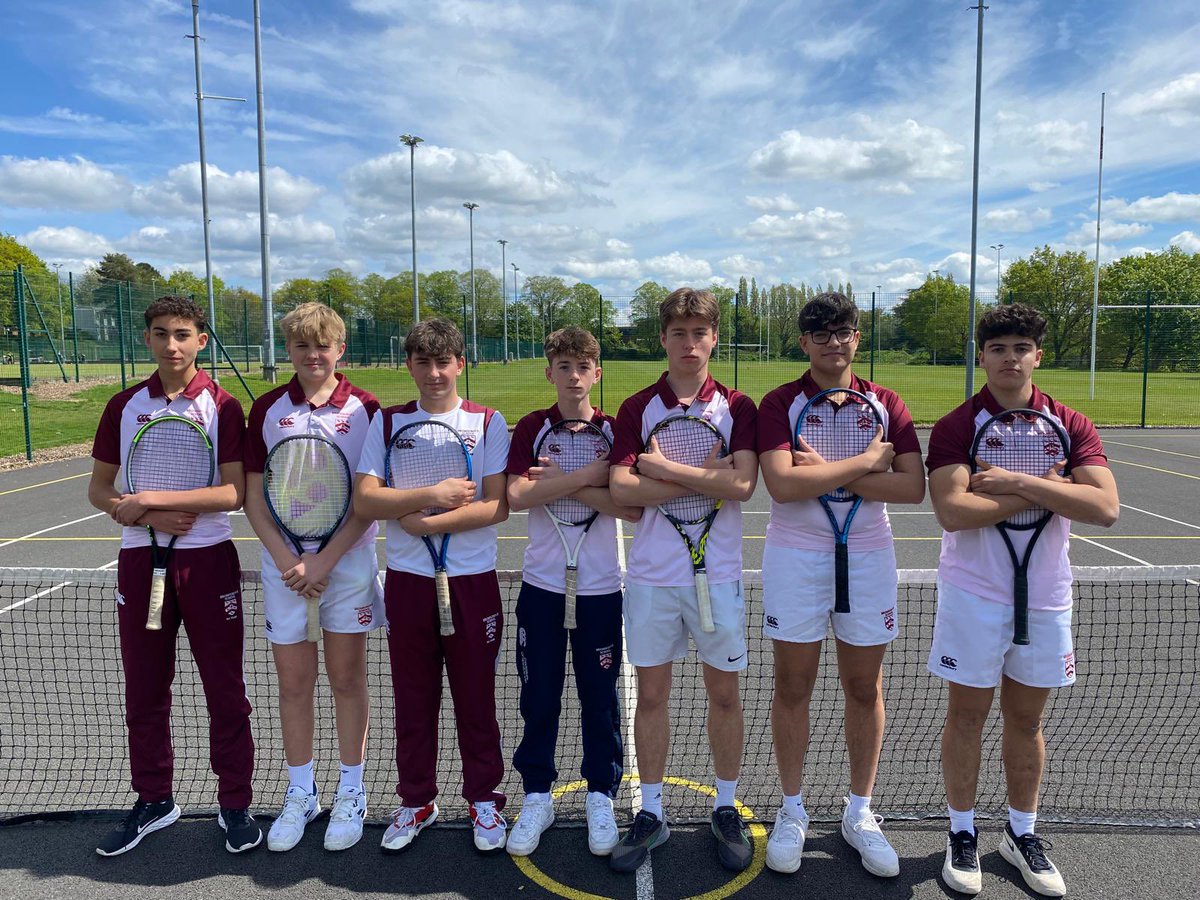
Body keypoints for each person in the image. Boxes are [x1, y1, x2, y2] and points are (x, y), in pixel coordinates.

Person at [926, 303, 1119, 897]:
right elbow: (955, 512)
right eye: (999, 348)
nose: (1010, 358)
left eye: (1021, 348)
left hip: (1046, 597)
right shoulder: (959, 425)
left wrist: (1013, 482)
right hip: (972, 594)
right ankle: (962, 832)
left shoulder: (1070, 423)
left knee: (1027, 718)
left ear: (1038, 355)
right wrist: (1058, 490)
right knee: (967, 714)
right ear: (982, 356)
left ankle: (1020, 831)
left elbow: (1106, 509)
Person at [756, 291, 924, 877]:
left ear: (858, 339)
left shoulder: (886, 403)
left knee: (863, 687)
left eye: (843, 332)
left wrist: (824, 472)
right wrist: (868, 462)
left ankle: (859, 811)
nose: (833, 342)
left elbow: (912, 489)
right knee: (792, 686)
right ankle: (792, 808)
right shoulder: (779, 403)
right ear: (803, 342)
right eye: (820, 334)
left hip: (870, 555)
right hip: (795, 559)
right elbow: (781, 485)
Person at [87, 295, 259, 855]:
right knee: (144, 690)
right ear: (148, 339)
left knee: (225, 693)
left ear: (201, 340)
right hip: (140, 561)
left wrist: (153, 498)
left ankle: (235, 803)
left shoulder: (223, 406)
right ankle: (154, 800)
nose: (172, 344)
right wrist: (145, 513)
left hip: (208, 562)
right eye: (161, 333)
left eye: (182, 334)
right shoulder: (123, 406)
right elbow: (98, 490)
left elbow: (232, 493)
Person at [608, 287, 758, 873]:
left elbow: (743, 485)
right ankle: (652, 812)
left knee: (724, 695)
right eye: (678, 332)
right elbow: (622, 489)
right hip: (650, 577)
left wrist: (662, 468)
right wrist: (706, 477)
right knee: (651, 696)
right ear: (663, 339)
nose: (689, 343)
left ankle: (725, 806)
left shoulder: (739, 408)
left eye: (700, 332)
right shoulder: (636, 407)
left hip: (717, 576)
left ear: (714, 338)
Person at [353, 318, 512, 854]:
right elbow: (368, 500)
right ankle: (416, 800)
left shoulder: (487, 421)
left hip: (472, 582)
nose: (435, 372)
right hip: (408, 583)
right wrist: (435, 493)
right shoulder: (388, 420)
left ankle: (484, 801)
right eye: (423, 362)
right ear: (410, 367)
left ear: (460, 364)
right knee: (413, 699)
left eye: (444, 362)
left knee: (476, 699)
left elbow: (496, 505)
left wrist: (429, 521)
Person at [243, 302, 384, 853]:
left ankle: (352, 789)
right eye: (301, 346)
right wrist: (287, 561)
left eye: (322, 345)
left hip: (347, 564)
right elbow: (254, 497)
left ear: (339, 349)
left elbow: (368, 499)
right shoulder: (267, 410)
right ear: (290, 351)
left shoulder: (368, 409)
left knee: (348, 681)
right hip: (283, 566)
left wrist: (324, 561)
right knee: (294, 685)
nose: (312, 355)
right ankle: (301, 791)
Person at [504, 327, 641, 859]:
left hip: (601, 590)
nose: (574, 375)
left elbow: (628, 507)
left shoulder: (614, 429)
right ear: (550, 373)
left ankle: (600, 796)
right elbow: (517, 495)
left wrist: (560, 481)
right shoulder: (533, 429)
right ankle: (537, 795)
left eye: (584, 365)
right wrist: (591, 478)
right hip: (541, 587)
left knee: (598, 700)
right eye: (564, 365)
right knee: (539, 696)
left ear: (597, 373)